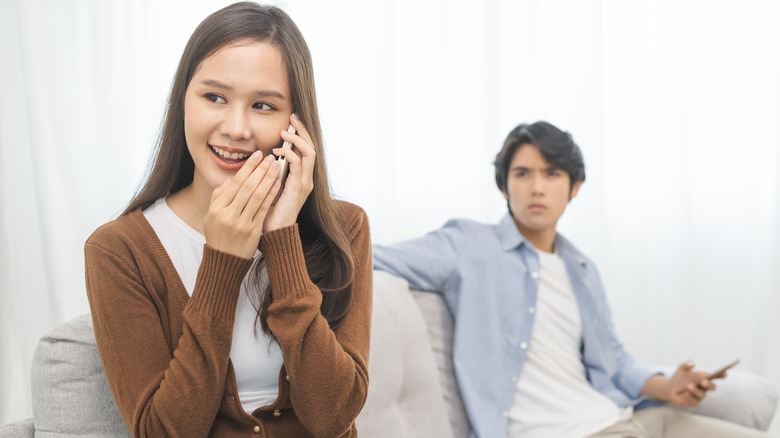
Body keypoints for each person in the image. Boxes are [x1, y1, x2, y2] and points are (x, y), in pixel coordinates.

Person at [373, 121, 770, 437]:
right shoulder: (467, 244)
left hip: (619, 417)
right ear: (504, 186)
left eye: (552, 173)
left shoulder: (581, 269)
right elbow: (373, 256)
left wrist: (668, 386)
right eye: (523, 174)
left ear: (574, 187)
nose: (537, 188)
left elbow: (615, 360)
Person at [84, 3, 372, 437]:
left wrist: (282, 239)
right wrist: (221, 263)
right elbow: (162, 432)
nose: (236, 128)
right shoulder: (119, 251)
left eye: (263, 105)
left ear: (296, 124)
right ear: (183, 102)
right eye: (214, 97)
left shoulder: (346, 227)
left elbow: (334, 416)